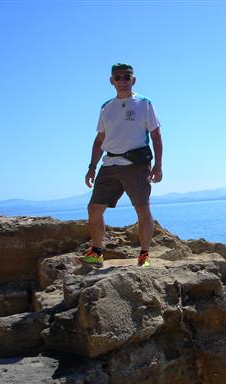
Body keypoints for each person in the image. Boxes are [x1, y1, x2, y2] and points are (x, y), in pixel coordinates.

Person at [78, 63, 163, 268]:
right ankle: (96, 252)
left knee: (142, 208)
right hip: (110, 164)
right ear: (112, 81)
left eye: (127, 77)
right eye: (118, 77)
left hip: (136, 164)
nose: (122, 81)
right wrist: (92, 166)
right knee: (94, 208)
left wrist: (158, 165)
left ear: (133, 80)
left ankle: (144, 255)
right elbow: (100, 139)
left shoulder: (144, 103)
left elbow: (156, 135)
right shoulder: (106, 107)